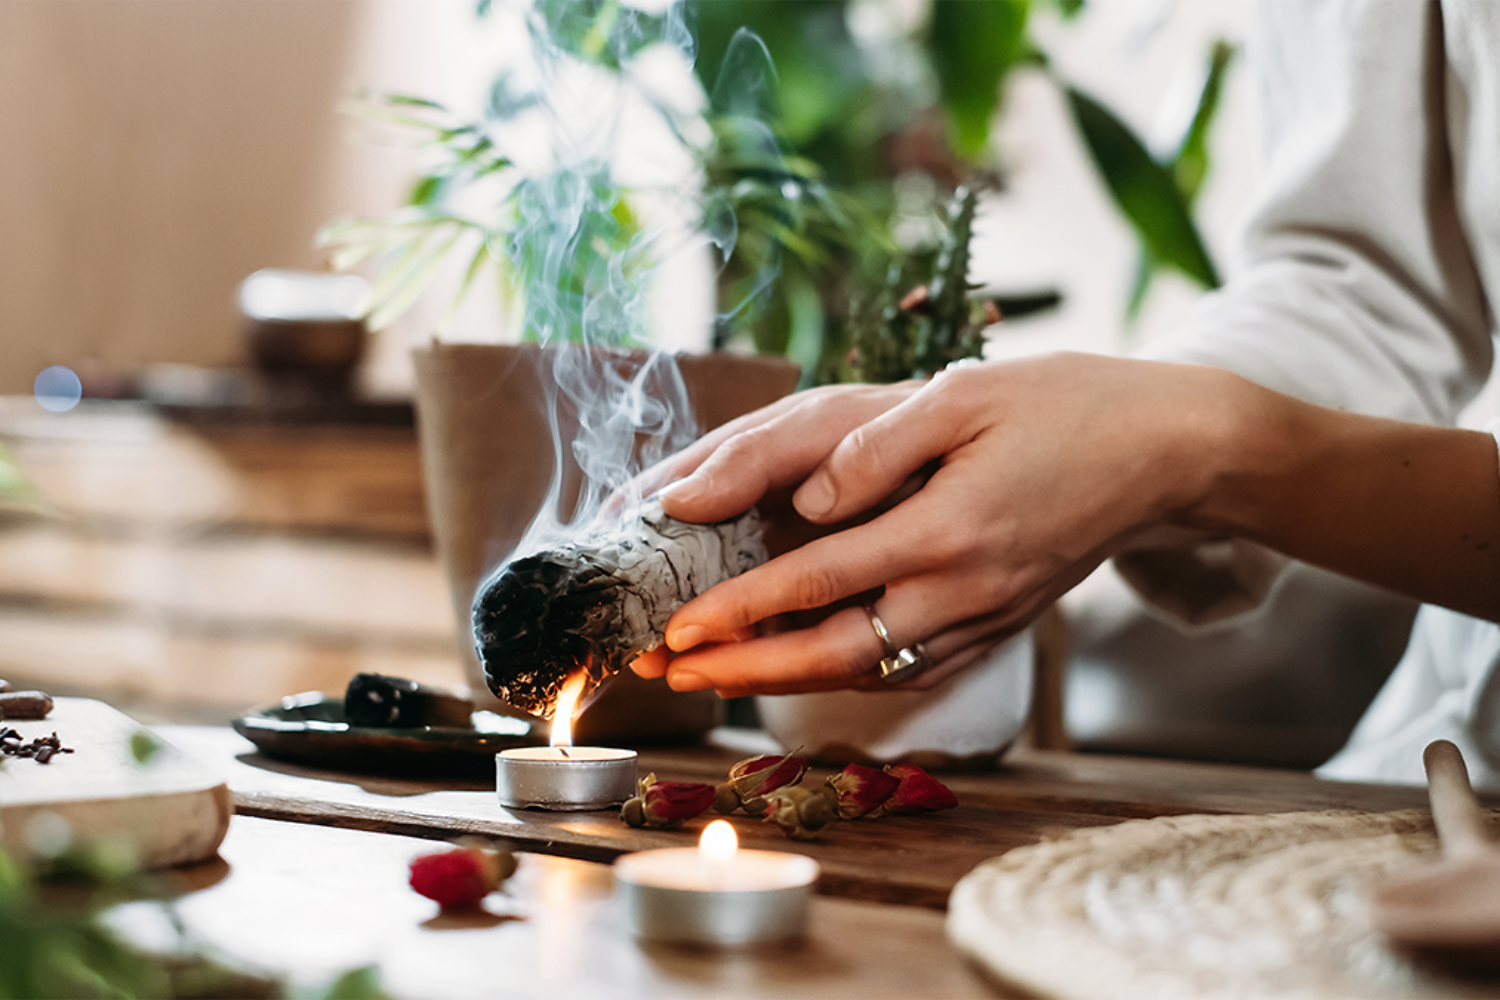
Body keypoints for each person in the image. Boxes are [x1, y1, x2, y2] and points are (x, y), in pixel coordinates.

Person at [631, 0, 1500, 786]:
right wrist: (1070, 440)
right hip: (1446, 770)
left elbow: (1227, 429)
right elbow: (1359, 286)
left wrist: (1199, 448)